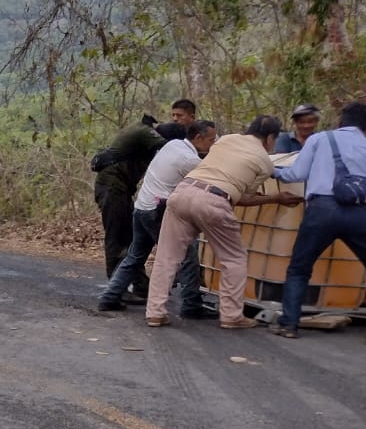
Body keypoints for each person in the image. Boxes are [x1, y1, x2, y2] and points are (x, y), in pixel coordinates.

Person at [144, 115, 303, 328]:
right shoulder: (264, 161)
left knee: (167, 256)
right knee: (234, 258)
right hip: (214, 201)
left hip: (182, 193)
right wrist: (275, 198)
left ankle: (155, 312)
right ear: (271, 137)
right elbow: (242, 197)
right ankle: (231, 316)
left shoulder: (226, 139)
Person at [97, 120, 218, 315]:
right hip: (157, 212)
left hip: (142, 207)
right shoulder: (190, 160)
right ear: (198, 138)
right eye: (211, 140)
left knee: (135, 256)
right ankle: (192, 305)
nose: (213, 144)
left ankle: (109, 297)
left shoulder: (173, 145)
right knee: (188, 255)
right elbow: (213, 180)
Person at [268, 101, 366, 338]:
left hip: (322, 210)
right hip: (360, 211)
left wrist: (272, 170)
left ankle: (289, 325)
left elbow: (297, 174)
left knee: (299, 268)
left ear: (340, 121)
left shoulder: (320, 139)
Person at [92, 119, 170, 298]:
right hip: (112, 187)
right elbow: (169, 147)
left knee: (131, 237)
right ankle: (116, 289)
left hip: (121, 188)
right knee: (117, 236)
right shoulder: (144, 132)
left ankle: (140, 285)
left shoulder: (142, 137)